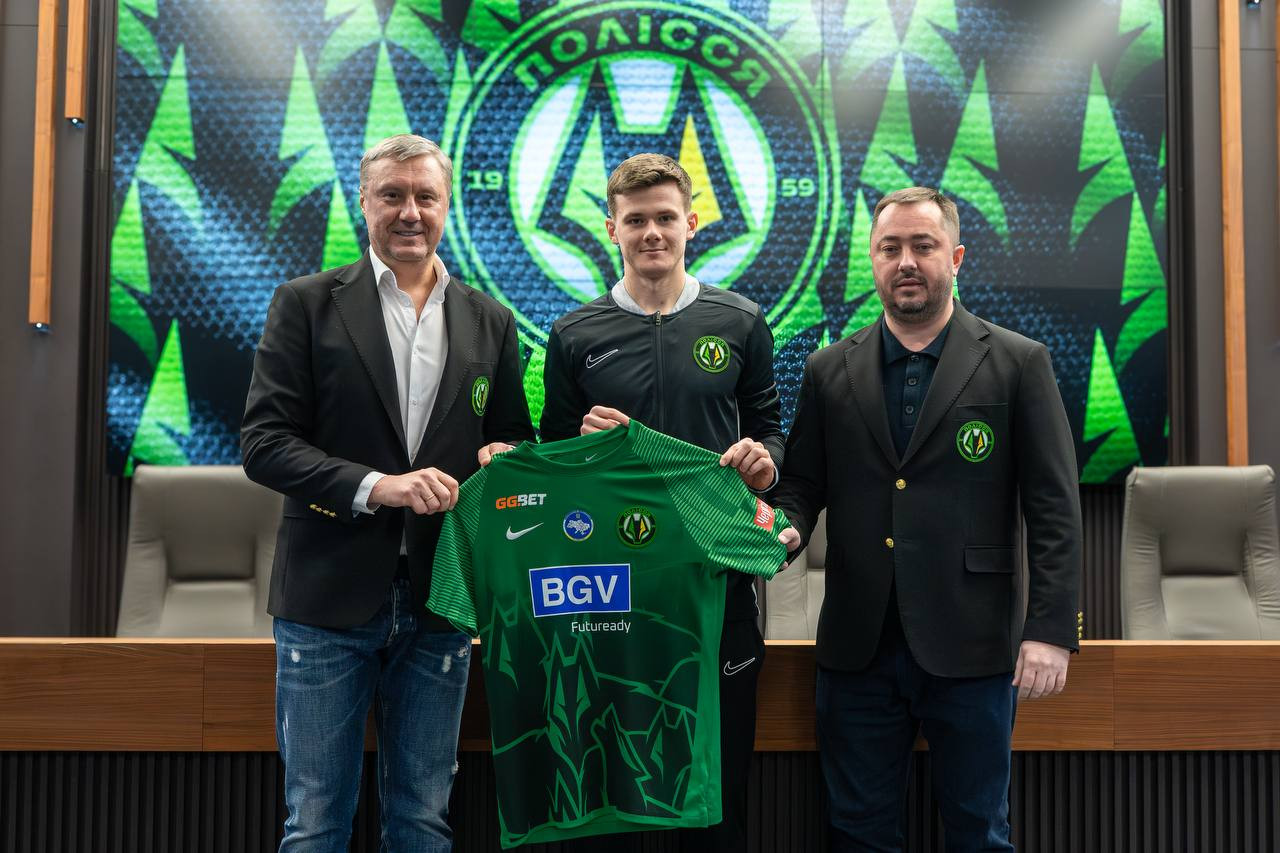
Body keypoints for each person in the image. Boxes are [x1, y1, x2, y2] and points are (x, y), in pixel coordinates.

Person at [482, 153, 784, 851]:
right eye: (636, 219)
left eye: (666, 218)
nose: (653, 232)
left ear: (692, 223)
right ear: (611, 228)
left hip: (713, 580)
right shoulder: (575, 334)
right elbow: (552, 459)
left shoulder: (741, 321)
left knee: (716, 783)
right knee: (614, 774)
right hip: (610, 591)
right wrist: (578, 443)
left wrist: (765, 462)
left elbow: (770, 430)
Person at [241, 133, 535, 852]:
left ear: (447, 205)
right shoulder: (305, 304)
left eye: (425, 196)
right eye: (392, 195)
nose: (410, 211)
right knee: (315, 823)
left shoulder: (490, 319)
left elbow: (510, 438)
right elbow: (265, 444)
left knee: (423, 820)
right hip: (325, 600)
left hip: (442, 599)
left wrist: (506, 459)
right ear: (364, 203)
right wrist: (380, 486)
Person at [771, 187, 1082, 852]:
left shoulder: (1018, 362)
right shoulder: (828, 369)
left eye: (923, 246)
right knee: (857, 833)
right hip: (857, 647)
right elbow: (802, 485)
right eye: (890, 248)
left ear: (956, 257)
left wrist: (1050, 629)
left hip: (975, 645)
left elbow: (1054, 507)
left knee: (978, 832)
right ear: (873, 260)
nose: (906, 261)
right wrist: (784, 527)